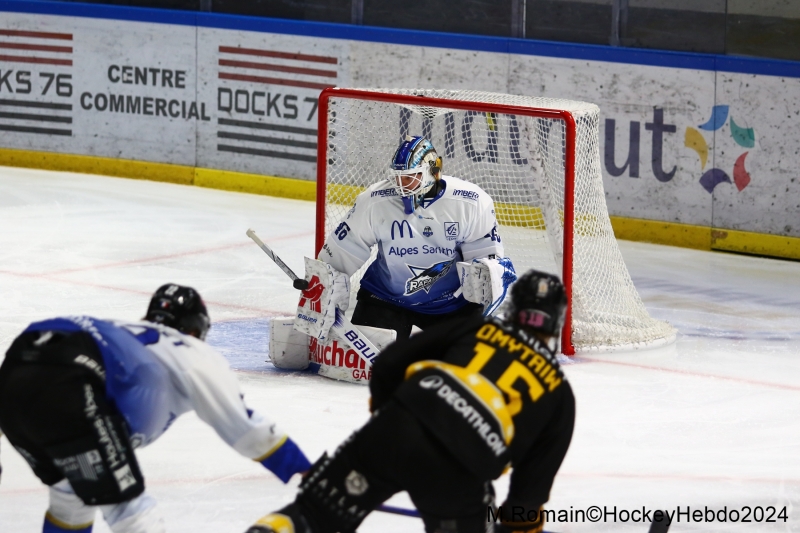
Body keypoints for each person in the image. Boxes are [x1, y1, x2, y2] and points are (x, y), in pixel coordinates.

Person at [250, 269, 576, 533]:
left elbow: (391, 362)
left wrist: (387, 419)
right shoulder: (559, 396)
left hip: (399, 425)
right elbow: (529, 494)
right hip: (460, 468)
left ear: (515, 310)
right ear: (556, 324)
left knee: (310, 516)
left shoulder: (478, 328)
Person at [0, 284, 311, 533]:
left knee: (72, 495)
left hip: (14, 374)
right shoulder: (191, 350)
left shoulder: (124, 330)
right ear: (196, 330)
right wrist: (305, 470)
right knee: (127, 508)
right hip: (69, 379)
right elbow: (246, 427)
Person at [294, 135, 517, 343]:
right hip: (385, 299)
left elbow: (484, 261)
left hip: (450, 306)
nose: (402, 186)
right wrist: (318, 286)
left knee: (469, 363)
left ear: (433, 171)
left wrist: (488, 275)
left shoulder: (470, 202)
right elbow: (343, 250)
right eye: (398, 178)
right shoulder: (375, 201)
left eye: (411, 178)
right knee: (368, 365)